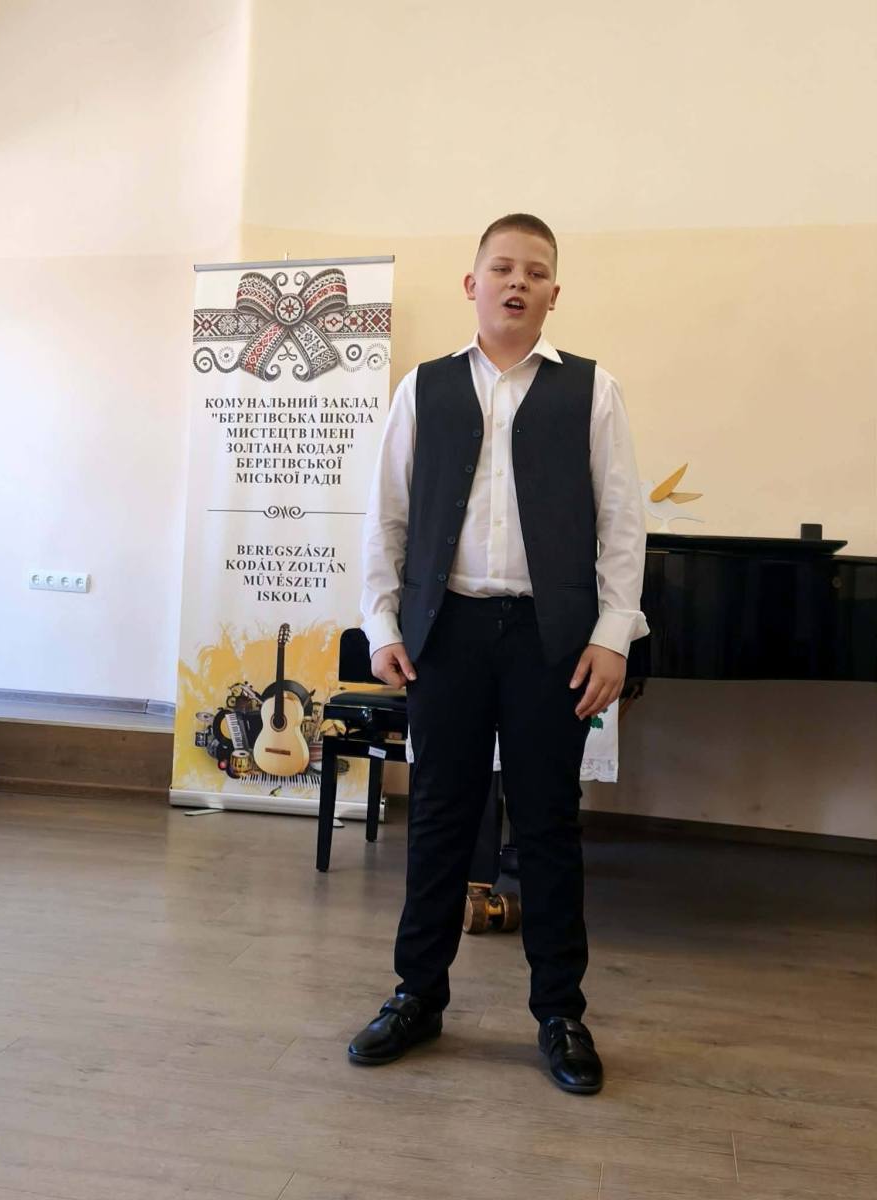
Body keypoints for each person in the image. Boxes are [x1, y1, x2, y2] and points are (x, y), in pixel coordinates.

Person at [348, 213, 648, 1094]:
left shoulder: (592, 391)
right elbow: (387, 514)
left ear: (555, 292)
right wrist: (383, 623)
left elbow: (622, 522)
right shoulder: (425, 387)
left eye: (537, 271)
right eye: (503, 268)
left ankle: (560, 1012)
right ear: (472, 284)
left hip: (552, 641)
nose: (519, 282)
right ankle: (417, 994)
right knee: (439, 817)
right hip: (447, 633)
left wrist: (613, 635)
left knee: (548, 824)